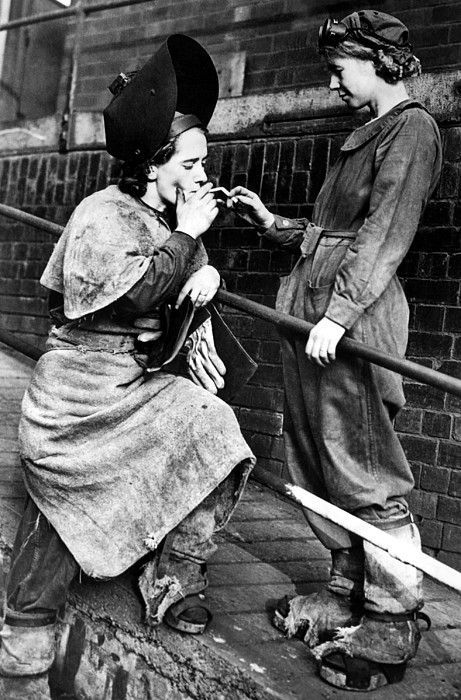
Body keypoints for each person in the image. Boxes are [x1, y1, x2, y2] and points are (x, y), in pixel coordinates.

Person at [0, 34, 255, 677]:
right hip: (77, 396)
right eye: (190, 165)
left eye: (203, 163)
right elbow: (135, 289)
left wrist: (206, 284)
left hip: (136, 385)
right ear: (153, 165)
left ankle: (176, 579)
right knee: (67, 497)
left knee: (215, 428)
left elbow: (171, 296)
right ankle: (24, 637)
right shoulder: (101, 214)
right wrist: (190, 243)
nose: (202, 177)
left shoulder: (176, 228)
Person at [227, 10, 442, 692]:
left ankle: (392, 618)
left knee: (364, 470)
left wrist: (342, 314)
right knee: (319, 461)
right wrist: (271, 224)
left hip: (347, 325)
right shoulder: (370, 133)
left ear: (378, 61)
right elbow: (332, 236)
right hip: (314, 320)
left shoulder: (410, 129)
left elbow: (384, 233)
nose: (329, 80)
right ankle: (346, 595)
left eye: (339, 67)